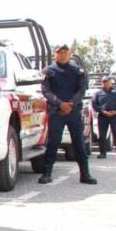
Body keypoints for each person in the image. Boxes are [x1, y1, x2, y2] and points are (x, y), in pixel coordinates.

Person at [38, 44, 97, 185]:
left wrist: (71, 103)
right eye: (60, 52)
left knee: (79, 143)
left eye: (65, 52)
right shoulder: (48, 71)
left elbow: (82, 90)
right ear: (55, 55)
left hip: (73, 111)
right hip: (56, 111)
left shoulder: (78, 71)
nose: (63, 54)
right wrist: (60, 104)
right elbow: (46, 91)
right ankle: (47, 174)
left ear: (70, 54)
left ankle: (85, 174)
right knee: (53, 142)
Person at [92, 76, 116, 159]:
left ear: (110, 83)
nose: (105, 83)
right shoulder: (97, 93)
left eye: (107, 81)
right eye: (104, 82)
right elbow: (94, 104)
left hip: (115, 116)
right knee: (102, 136)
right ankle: (102, 153)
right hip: (103, 116)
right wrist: (102, 111)